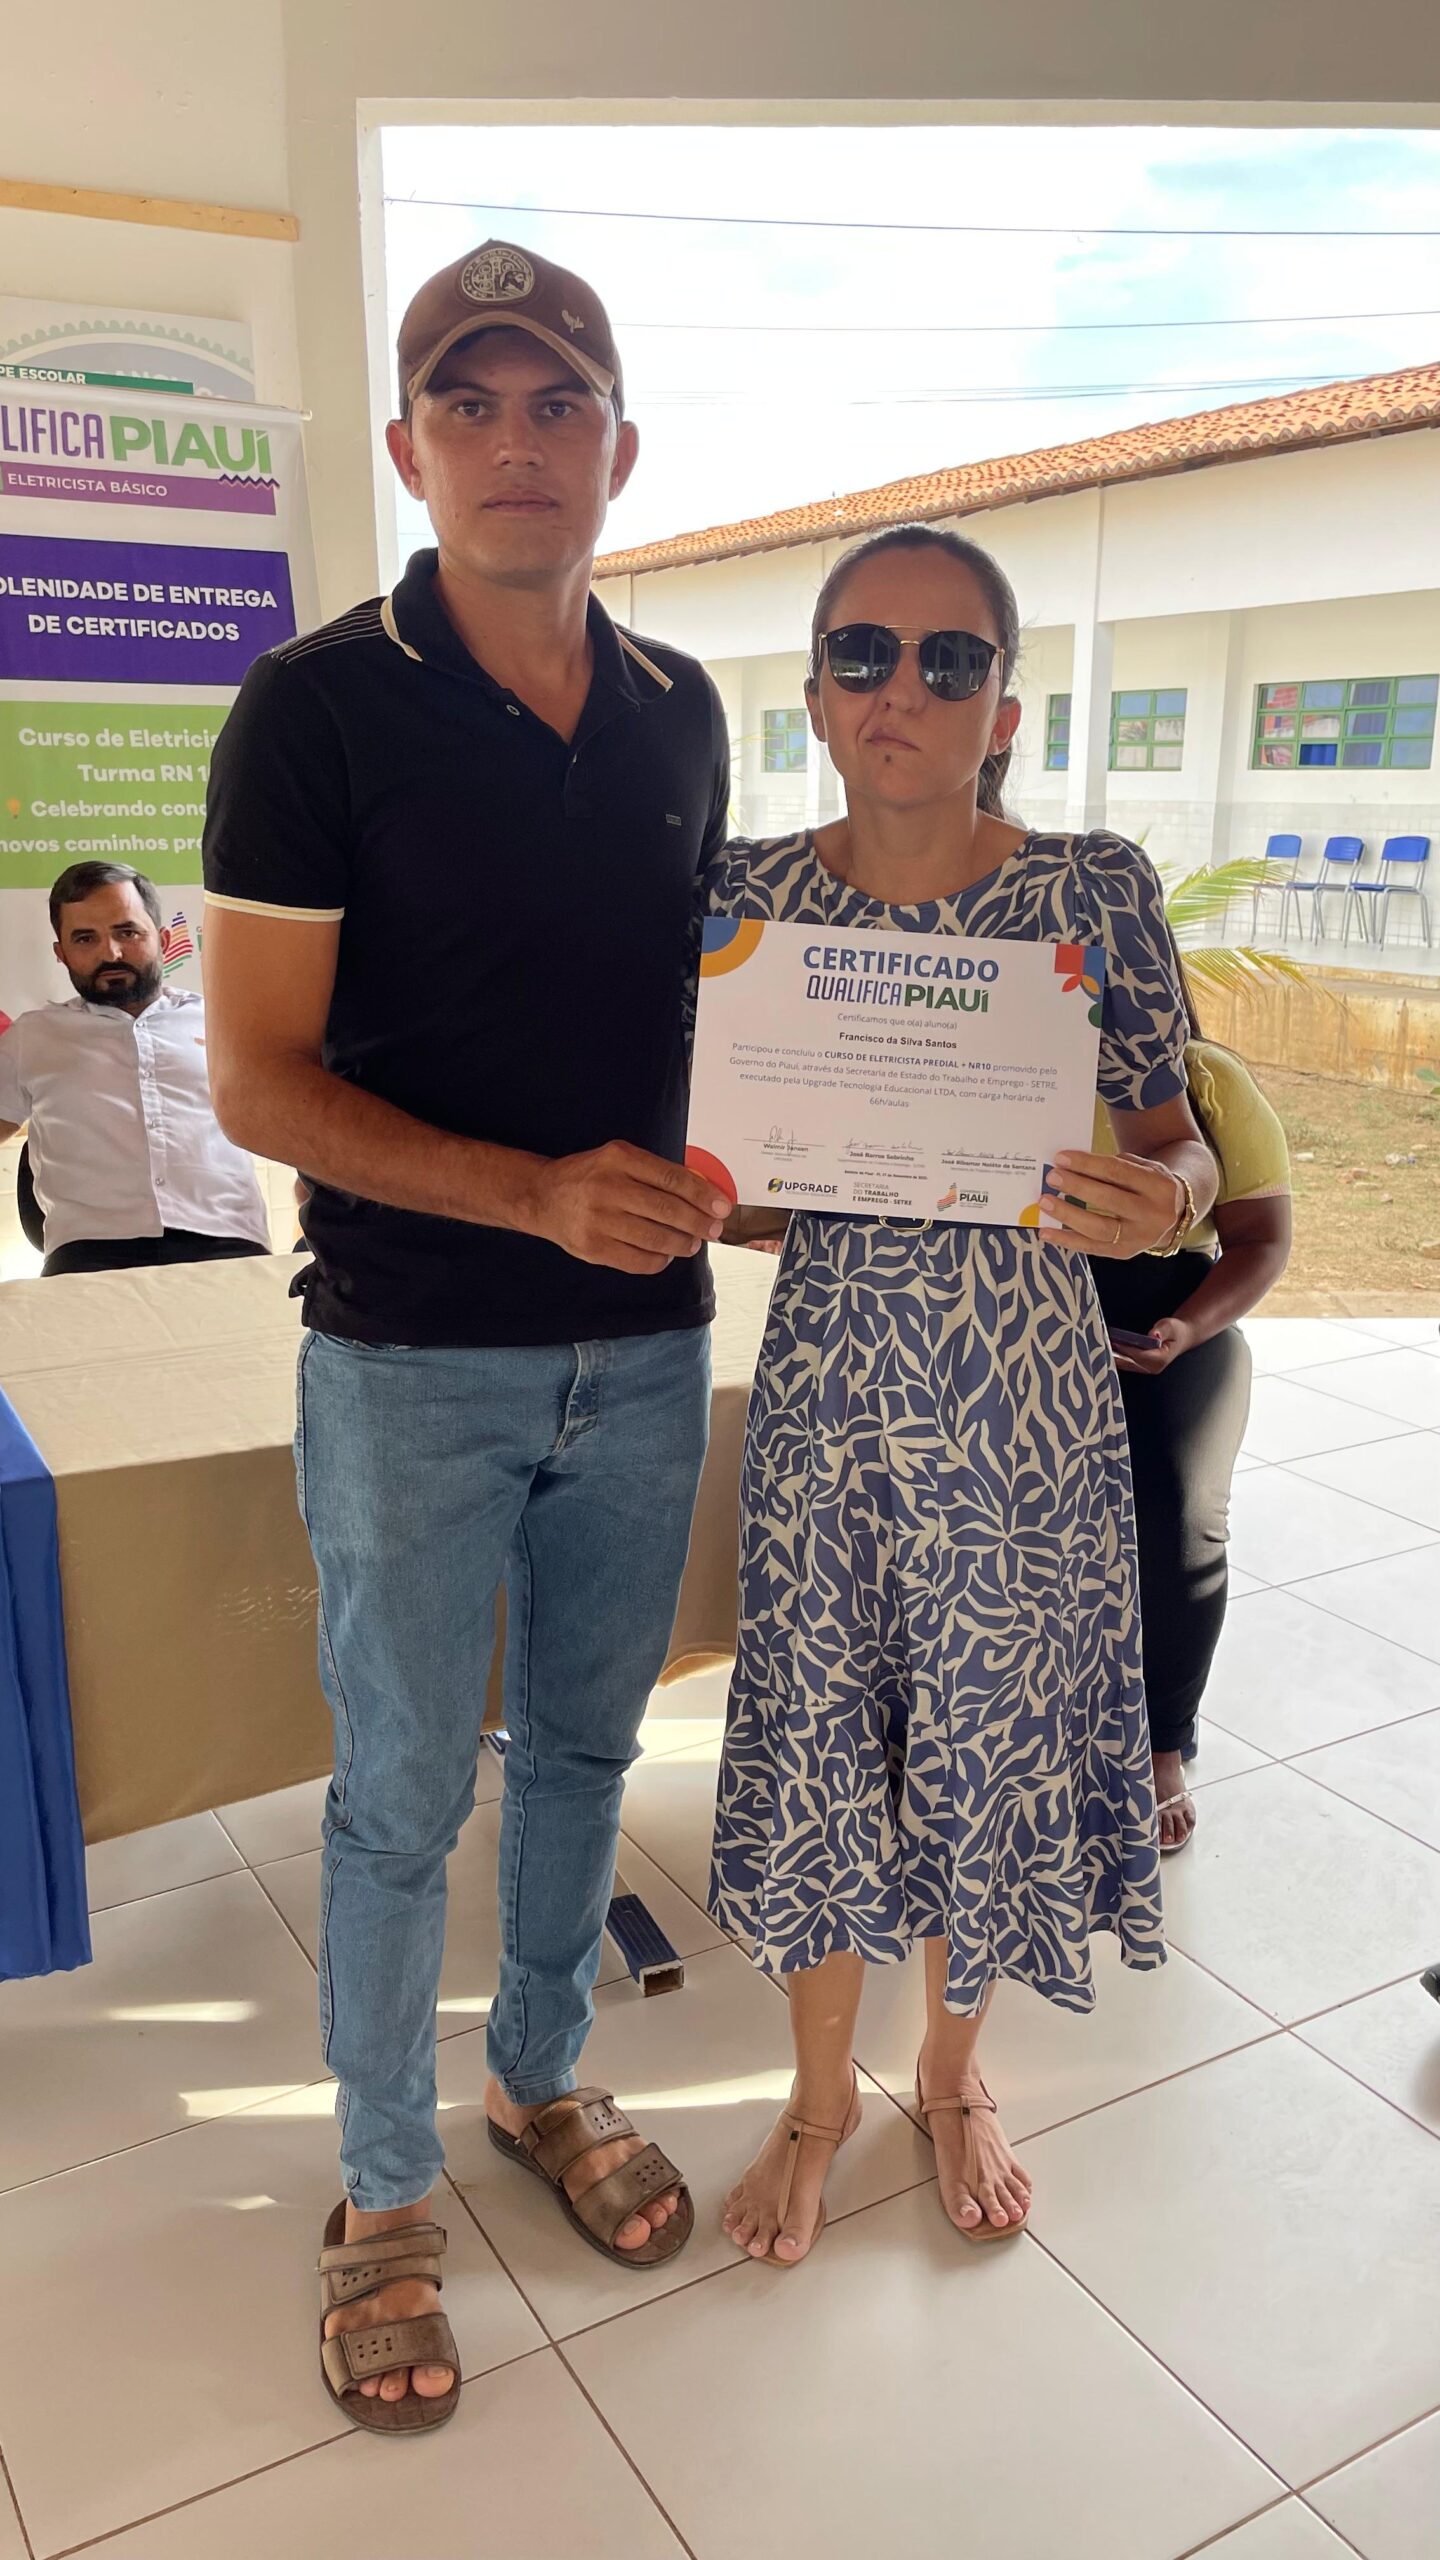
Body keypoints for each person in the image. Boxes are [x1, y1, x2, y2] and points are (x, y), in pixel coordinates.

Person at [201, 242, 734, 2436]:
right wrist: (528, 1194)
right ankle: (382, 2188)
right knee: (404, 1794)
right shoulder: (314, 709)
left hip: (653, 1345)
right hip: (411, 1353)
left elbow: (698, 1014)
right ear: (412, 450)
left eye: (559, 403)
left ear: (623, 448)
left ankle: (537, 2075)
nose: (519, 444)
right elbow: (255, 1081)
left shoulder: (687, 707)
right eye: (471, 404)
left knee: (593, 1758)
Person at [706, 523, 1218, 2266]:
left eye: (950, 659)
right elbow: (747, 1181)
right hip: (831, 1392)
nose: (902, 688)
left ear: (1005, 706)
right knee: (825, 1730)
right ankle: (815, 2096)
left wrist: (1168, 1200)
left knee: (987, 1738)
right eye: (863, 652)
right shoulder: (750, 900)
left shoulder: (1091, 890)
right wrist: (722, 1189)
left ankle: (950, 2068)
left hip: (1023, 1404)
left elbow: (1180, 1146)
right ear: (814, 696)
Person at [1090, 967, 1292, 1852]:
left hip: (1168, 1320)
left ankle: (1161, 1742)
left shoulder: (1203, 1080)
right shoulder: (976, 1062)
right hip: (1012, 1321)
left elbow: (1262, 1237)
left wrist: (1184, 1329)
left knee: (1178, 1511)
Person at [0, 862, 271, 1277]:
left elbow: (293, 1124)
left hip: (229, 1244)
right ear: (61, 953)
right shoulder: (32, 1036)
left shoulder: (221, 1023)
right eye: (85, 938)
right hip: (87, 1257)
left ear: (163, 939)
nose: (110, 953)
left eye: (127, 932)